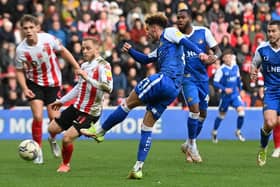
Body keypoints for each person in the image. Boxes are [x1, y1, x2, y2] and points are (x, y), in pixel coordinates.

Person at [81, 13, 209, 179]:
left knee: (128, 103)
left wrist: (200, 53)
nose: (147, 34)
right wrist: (131, 51)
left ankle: (100, 131)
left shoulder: (169, 32)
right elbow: (145, 59)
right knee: (147, 125)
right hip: (173, 91)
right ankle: (138, 168)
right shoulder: (163, 46)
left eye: (148, 30)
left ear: (155, 28)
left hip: (164, 80)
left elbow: (185, 41)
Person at [15, 15, 81, 164]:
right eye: (25, 28)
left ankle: (51, 140)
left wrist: (76, 67)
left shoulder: (48, 39)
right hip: (34, 83)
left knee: (54, 120)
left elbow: (63, 51)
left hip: (53, 84)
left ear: (37, 28)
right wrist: (24, 88)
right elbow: (18, 71)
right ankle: (37, 150)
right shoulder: (20, 50)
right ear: (22, 30)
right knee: (38, 116)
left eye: (31, 27)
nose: (29, 31)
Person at [48, 37, 113, 172]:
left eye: (88, 48)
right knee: (52, 129)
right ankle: (90, 132)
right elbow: (79, 88)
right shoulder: (84, 66)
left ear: (97, 49)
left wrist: (87, 78)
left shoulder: (104, 65)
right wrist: (62, 101)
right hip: (77, 107)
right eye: (83, 48)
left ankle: (65, 165)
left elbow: (108, 88)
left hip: (90, 112)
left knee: (66, 139)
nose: (84, 51)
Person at [176, 9, 221, 163]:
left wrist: (212, 58)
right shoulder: (175, 36)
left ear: (190, 18)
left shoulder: (203, 32)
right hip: (187, 79)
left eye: (183, 17)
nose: (179, 20)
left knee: (203, 114)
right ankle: (193, 146)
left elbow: (218, 50)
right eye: (178, 18)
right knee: (194, 110)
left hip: (203, 79)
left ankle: (188, 143)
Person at [250, 20, 280, 166]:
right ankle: (263, 147)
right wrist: (253, 71)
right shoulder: (262, 49)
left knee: (277, 122)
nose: (271, 34)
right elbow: (254, 64)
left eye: (274, 31)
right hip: (272, 91)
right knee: (270, 122)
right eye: (269, 31)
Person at [210, 49, 246, 143]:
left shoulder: (235, 67)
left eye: (230, 56)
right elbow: (215, 82)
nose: (229, 58)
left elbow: (238, 80)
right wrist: (224, 89)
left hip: (234, 95)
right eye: (227, 57)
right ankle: (214, 131)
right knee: (221, 116)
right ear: (224, 59)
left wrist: (241, 90)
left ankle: (238, 131)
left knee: (241, 113)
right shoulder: (221, 69)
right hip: (225, 96)